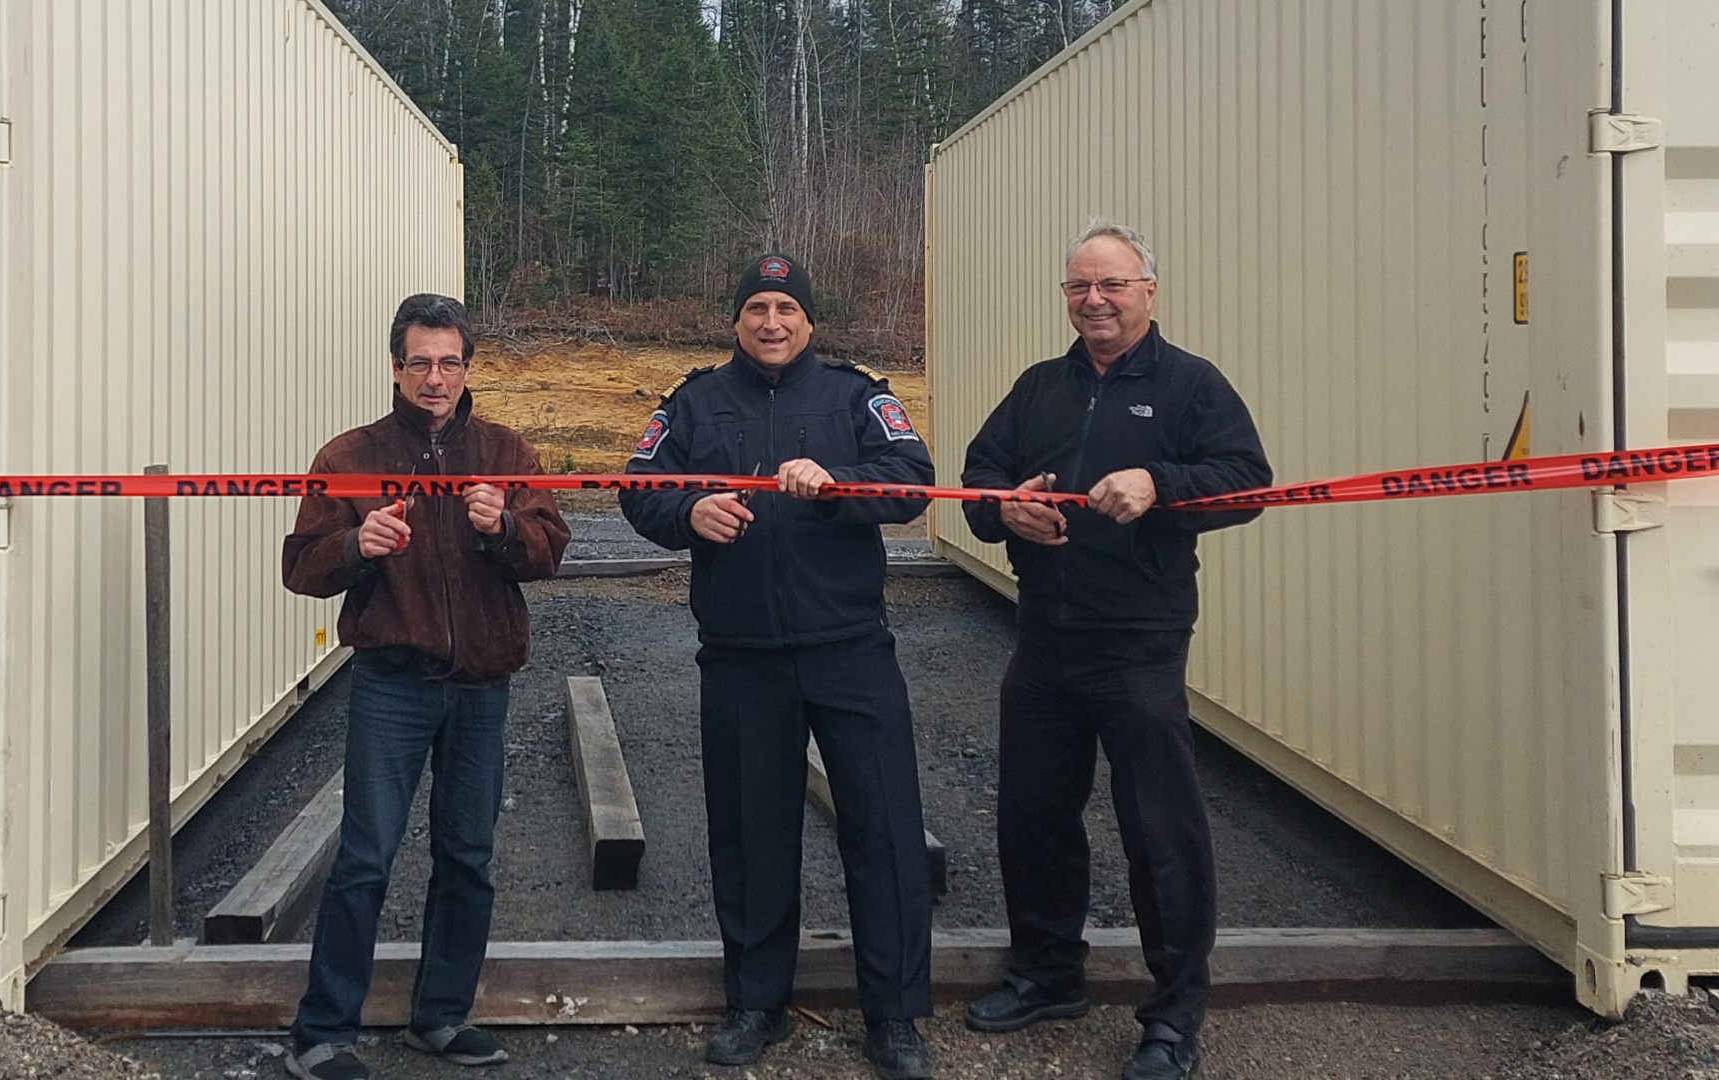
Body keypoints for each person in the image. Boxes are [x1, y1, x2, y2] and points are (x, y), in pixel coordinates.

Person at [959, 223, 1272, 1080]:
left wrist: (1160, 483)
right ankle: (1047, 973)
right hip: (1044, 637)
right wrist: (1003, 511)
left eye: (1112, 285)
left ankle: (1173, 1017)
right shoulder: (1038, 390)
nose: (1093, 301)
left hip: (1139, 644)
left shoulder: (1190, 387)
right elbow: (975, 479)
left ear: (1149, 290)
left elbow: (1249, 481)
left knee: (1158, 830)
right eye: (1078, 288)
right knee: (1033, 814)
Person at [619, 254, 937, 1080]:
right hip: (742, 656)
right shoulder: (693, 401)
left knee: (885, 830)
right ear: (735, 320)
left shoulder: (855, 395)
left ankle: (895, 1016)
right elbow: (636, 486)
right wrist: (689, 510)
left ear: (808, 320)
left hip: (850, 650)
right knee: (752, 835)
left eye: (785, 309)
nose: (770, 321)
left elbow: (912, 483)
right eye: (756, 307)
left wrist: (839, 483)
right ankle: (756, 1003)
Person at [280, 293, 570, 1080]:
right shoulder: (348, 458)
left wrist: (501, 528)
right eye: (420, 364)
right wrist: (355, 546)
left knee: (467, 856)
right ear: (396, 368)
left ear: (469, 367)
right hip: (392, 684)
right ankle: (323, 1032)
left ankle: (440, 1016)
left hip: (481, 686)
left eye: (449, 363)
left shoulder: (507, 454)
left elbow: (549, 551)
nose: (434, 378)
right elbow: (299, 567)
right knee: (366, 857)